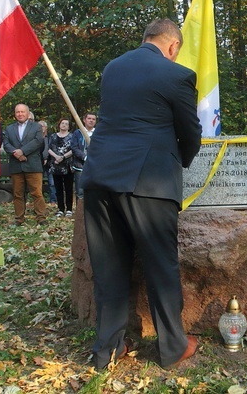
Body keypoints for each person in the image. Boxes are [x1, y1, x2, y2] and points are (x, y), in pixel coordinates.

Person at [81, 19, 202, 370]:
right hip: (149, 182)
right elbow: (190, 133)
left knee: (107, 267)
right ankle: (172, 347)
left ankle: (108, 349)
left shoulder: (113, 68)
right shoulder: (176, 75)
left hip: (99, 178)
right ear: (173, 47)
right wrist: (181, 161)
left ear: (145, 38)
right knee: (160, 264)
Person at [2, 104, 47, 226]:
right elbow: (6, 144)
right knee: (17, 194)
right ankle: (19, 219)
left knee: (37, 193)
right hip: (16, 166)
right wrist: (16, 153)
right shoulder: (10, 128)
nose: (20, 114)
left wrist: (23, 151)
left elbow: (38, 141)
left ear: (28, 113)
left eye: (22, 112)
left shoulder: (36, 127)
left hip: (32, 165)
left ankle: (41, 218)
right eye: (18, 112)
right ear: (15, 114)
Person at [47, 118, 74, 218]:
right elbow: (48, 148)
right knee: (58, 188)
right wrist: (56, 157)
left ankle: (69, 209)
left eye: (66, 124)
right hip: (55, 165)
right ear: (59, 125)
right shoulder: (53, 136)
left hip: (67, 166)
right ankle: (60, 209)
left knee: (68, 188)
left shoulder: (72, 136)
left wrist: (63, 157)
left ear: (69, 126)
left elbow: (73, 149)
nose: (64, 125)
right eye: (62, 123)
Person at [71, 111, 96, 201]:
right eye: (89, 118)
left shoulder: (98, 133)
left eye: (93, 119)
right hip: (80, 166)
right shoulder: (77, 133)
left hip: (95, 167)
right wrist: (84, 157)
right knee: (80, 192)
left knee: (94, 191)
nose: (91, 121)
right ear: (84, 120)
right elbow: (74, 147)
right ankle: (80, 214)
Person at [39, 120, 57, 206]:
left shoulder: (51, 137)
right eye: (39, 126)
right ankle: (40, 202)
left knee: (52, 183)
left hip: (50, 162)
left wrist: (48, 158)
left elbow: (53, 148)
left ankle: (53, 201)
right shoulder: (35, 137)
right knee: (37, 183)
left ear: (46, 128)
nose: (41, 127)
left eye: (42, 126)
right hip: (38, 162)